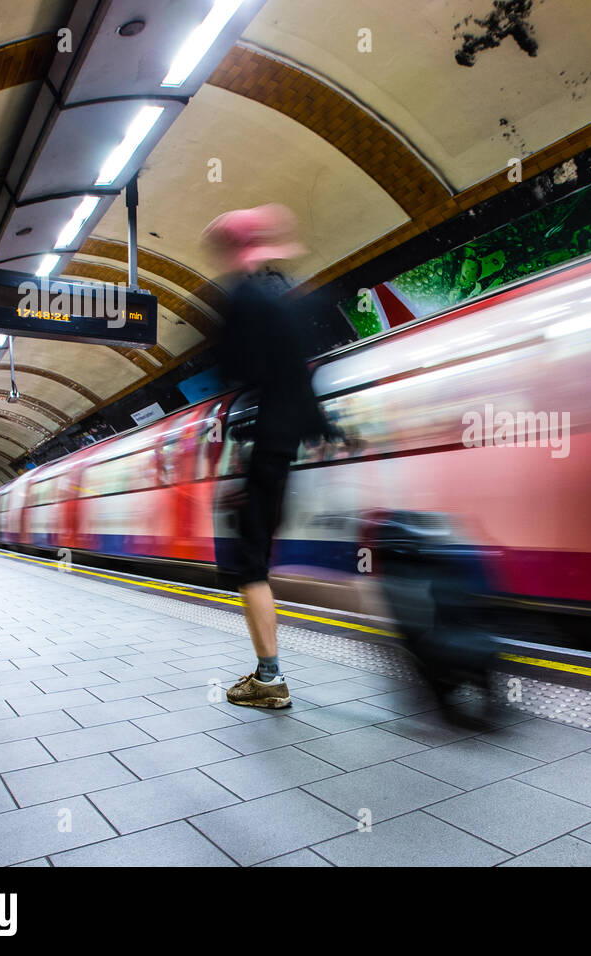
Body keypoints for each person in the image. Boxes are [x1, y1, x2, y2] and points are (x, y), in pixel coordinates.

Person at [202, 204, 338, 709]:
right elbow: (300, 373)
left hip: (267, 448)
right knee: (260, 556)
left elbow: (235, 367)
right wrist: (322, 429)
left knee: (250, 565)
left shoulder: (243, 297)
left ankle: (269, 679)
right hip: (293, 441)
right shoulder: (286, 296)